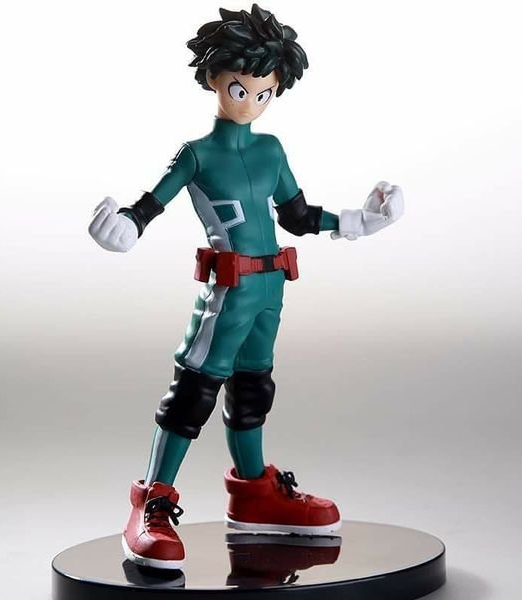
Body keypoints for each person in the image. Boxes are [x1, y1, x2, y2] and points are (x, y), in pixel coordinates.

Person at [89, 4, 404, 570]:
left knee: (253, 387)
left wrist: (360, 220)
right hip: (228, 291)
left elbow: (297, 215)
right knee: (194, 390)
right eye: (241, 88)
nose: (252, 100)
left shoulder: (271, 149)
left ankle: (254, 491)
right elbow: (150, 203)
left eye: (265, 92)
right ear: (213, 78)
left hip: (271, 287)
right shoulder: (197, 154)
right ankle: (150, 502)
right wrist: (126, 226)